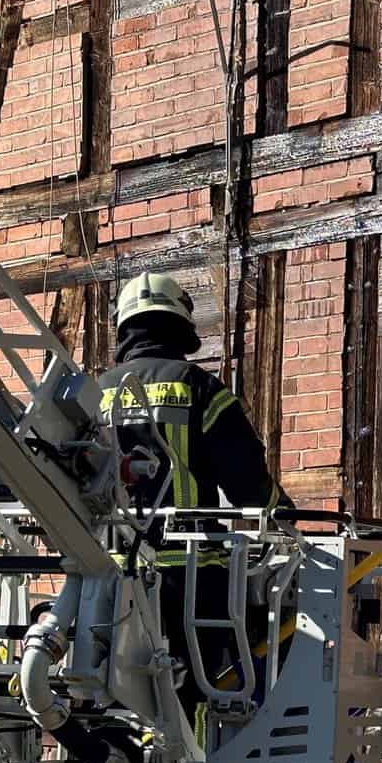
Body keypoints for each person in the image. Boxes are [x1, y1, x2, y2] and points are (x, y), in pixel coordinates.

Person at [97, 271, 286, 728]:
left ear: (125, 328)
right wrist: (283, 517)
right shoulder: (198, 387)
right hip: (190, 575)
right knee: (194, 688)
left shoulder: (94, 395)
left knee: (113, 686)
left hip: (109, 571)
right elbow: (247, 482)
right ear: (179, 325)